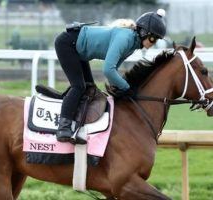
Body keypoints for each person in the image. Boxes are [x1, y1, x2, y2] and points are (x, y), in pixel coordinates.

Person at [55, 9, 167, 145]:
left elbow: (113, 71)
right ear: (144, 32)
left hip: (77, 48)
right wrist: (126, 87)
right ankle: (63, 127)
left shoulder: (133, 44)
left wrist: (120, 88)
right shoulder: (125, 38)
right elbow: (108, 70)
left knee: (90, 88)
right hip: (68, 44)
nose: (154, 42)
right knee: (79, 87)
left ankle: (78, 127)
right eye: (153, 38)